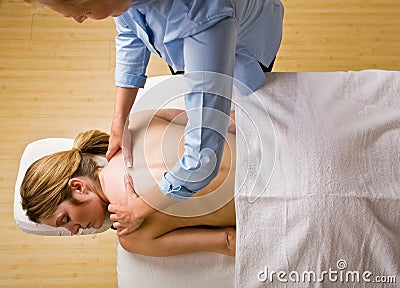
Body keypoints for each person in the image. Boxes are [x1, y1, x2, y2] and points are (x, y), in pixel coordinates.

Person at [26, 0, 284, 235]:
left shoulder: (203, 16)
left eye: (83, 12)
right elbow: (130, 34)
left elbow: (203, 159)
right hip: (198, 42)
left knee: (233, 85)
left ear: (78, 187)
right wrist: (119, 120)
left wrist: (138, 209)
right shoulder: (124, 5)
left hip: (238, 42)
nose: (79, 21)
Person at [20, 109, 237, 257]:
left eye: (65, 219)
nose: (74, 230)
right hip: (262, 143)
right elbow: (225, 120)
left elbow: (227, 241)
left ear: (78, 187)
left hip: (263, 206)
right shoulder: (137, 122)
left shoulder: (132, 237)